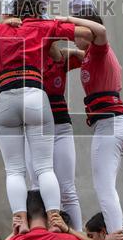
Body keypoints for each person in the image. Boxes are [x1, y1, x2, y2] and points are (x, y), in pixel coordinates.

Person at [0, 0, 93, 230]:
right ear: (38, 10)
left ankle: (20, 220)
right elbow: (86, 34)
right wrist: (61, 22)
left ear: (13, 10)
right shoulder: (44, 26)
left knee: (14, 170)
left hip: (6, 97)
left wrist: (0, 24)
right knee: (44, 167)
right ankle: (54, 218)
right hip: (34, 95)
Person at [62, 9, 123, 232]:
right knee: (106, 187)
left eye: (77, 32)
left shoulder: (100, 49)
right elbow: (66, 53)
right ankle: (116, 232)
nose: (74, 36)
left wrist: (66, 20)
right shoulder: (91, 55)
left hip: (110, 126)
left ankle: (116, 235)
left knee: (104, 189)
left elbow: (100, 30)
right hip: (113, 125)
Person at [27, 42, 85, 230]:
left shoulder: (59, 60)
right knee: (37, 186)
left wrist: (72, 51)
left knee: (67, 189)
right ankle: (42, 233)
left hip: (61, 126)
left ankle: (78, 234)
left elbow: (90, 56)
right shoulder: (25, 59)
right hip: (35, 129)